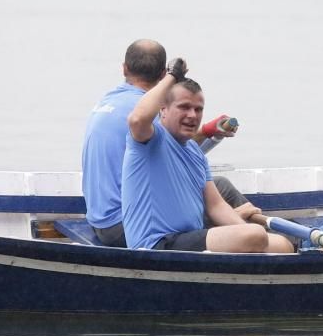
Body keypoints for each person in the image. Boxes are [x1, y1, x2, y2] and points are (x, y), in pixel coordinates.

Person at [81, 39, 250, 247]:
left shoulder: (108, 101)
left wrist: (207, 132)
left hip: (98, 218)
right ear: (163, 75)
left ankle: (245, 227)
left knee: (217, 187)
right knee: (222, 190)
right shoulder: (143, 112)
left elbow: (170, 154)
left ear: (124, 68)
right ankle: (256, 235)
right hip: (126, 225)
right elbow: (177, 160)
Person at [122, 58, 293, 253]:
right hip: (156, 245)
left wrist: (245, 232)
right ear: (163, 109)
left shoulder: (195, 153)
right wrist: (172, 77)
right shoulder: (151, 140)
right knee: (255, 235)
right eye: (184, 107)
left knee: (282, 245)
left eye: (198, 109)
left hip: (189, 239)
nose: (193, 115)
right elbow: (137, 118)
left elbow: (216, 205)